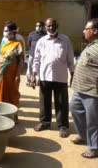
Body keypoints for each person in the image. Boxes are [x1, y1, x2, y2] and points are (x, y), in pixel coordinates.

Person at [32, 18, 74, 138]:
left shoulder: (65, 40)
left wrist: (72, 73)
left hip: (61, 77)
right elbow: (36, 59)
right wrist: (34, 74)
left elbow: (70, 58)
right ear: (45, 27)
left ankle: (63, 126)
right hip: (45, 76)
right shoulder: (41, 41)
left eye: (53, 25)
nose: (51, 28)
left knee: (61, 102)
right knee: (44, 101)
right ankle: (45, 122)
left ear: (57, 25)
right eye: (48, 26)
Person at [70, 18, 98, 158]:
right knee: (75, 110)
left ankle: (94, 148)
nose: (84, 31)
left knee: (93, 121)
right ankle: (82, 136)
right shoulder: (91, 44)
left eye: (86, 29)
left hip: (92, 92)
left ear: (94, 31)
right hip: (79, 89)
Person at [0, 21, 24, 120]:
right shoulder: (3, 42)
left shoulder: (18, 44)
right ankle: (1, 116)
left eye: (6, 31)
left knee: (12, 94)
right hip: (0, 73)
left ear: (13, 32)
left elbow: (21, 61)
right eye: (4, 30)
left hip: (12, 74)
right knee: (0, 93)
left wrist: (18, 74)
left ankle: (13, 117)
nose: (4, 32)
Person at [26, 21, 46, 87]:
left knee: (40, 68)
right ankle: (28, 81)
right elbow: (29, 43)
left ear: (42, 27)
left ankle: (38, 81)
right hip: (32, 54)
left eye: (39, 26)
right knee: (30, 67)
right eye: (36, 26)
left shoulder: (45, 35)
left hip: (41, 55)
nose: (37, 27)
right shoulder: (32, 34)